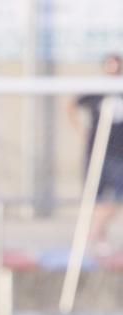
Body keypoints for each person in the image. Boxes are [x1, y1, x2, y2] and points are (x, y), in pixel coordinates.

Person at [69, 53, 123, 255]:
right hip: (99, 153)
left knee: (117, 198)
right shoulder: (96, 91)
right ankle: (97, 237)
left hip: (120, 153)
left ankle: (94, 234)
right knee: (97, 196)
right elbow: (72, 105)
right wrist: (81, 130)